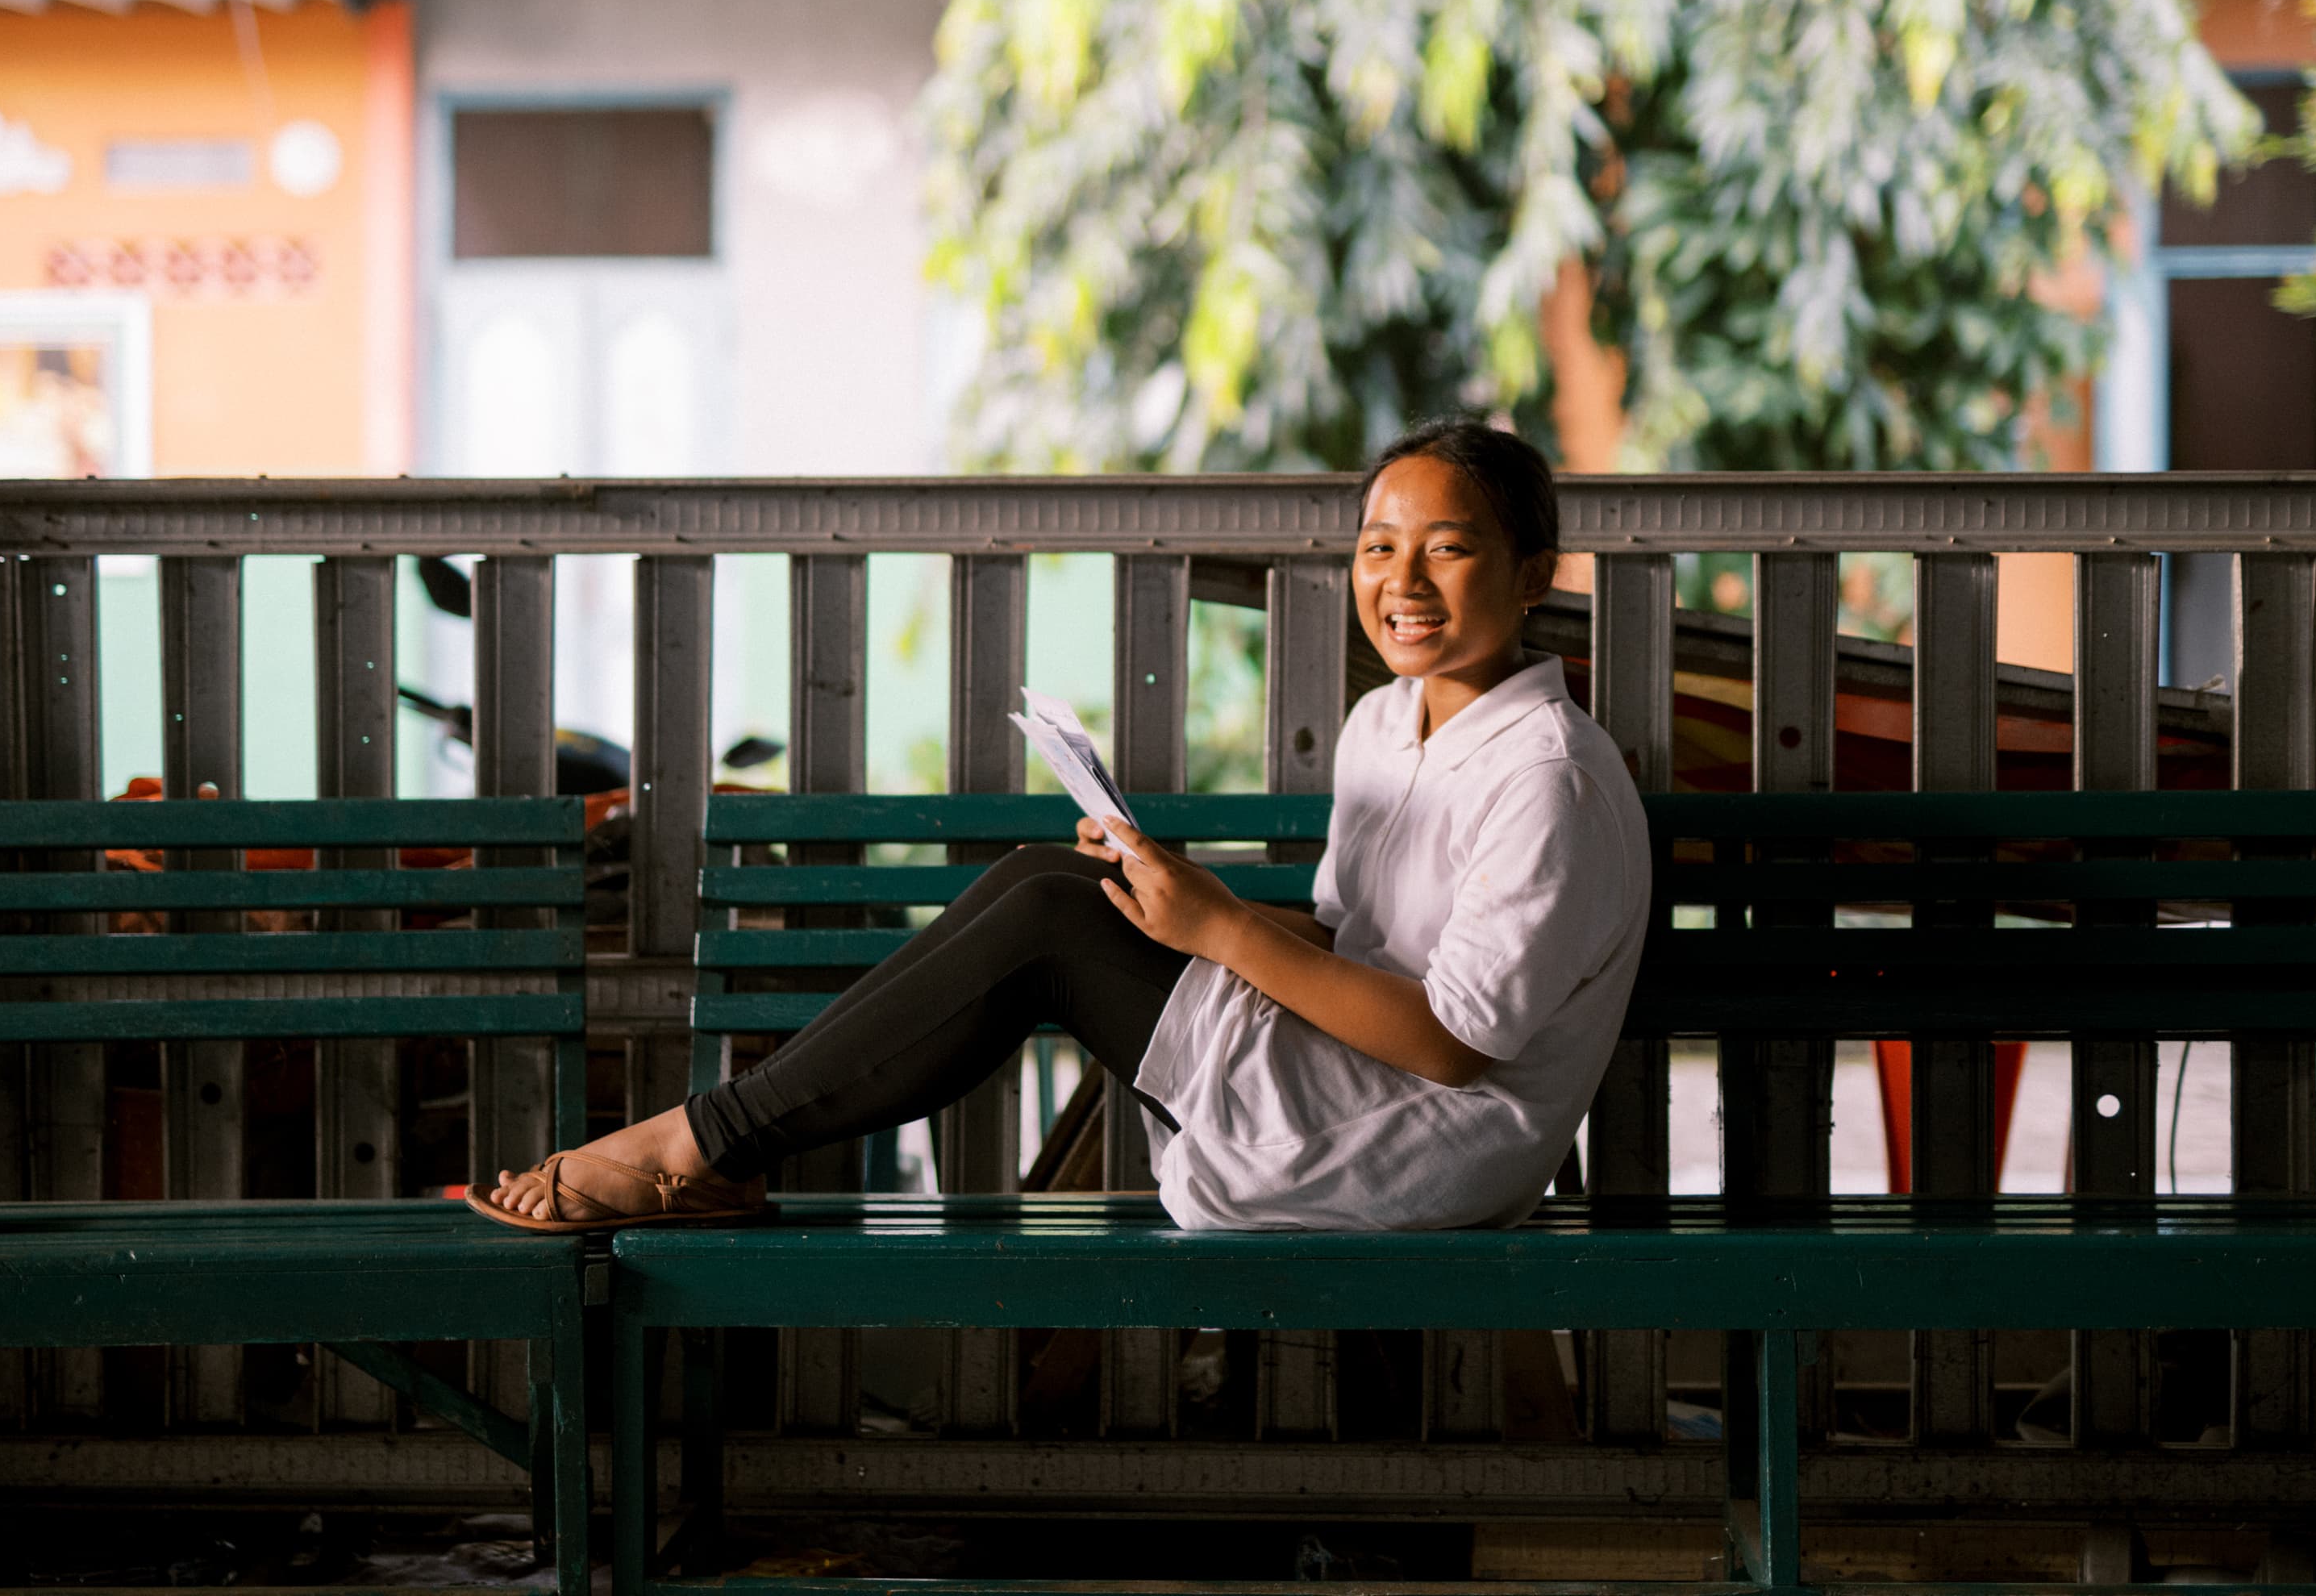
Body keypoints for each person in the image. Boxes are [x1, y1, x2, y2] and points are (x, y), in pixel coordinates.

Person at [468, 418, 1653, 1232]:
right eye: (1378, 547)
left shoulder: (1549, 777)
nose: (1404, 581)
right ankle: (710, 1150)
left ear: (1532, 570)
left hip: (1421, 1139)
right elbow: (1345, 949)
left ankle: (696, 1151)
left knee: (1044, 908)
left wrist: (1224, 930)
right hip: (1342, 1071)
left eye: (1449, 550)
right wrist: (1178, 904)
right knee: (1061, 887)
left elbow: (1454, 1043)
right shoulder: (1387, 723)